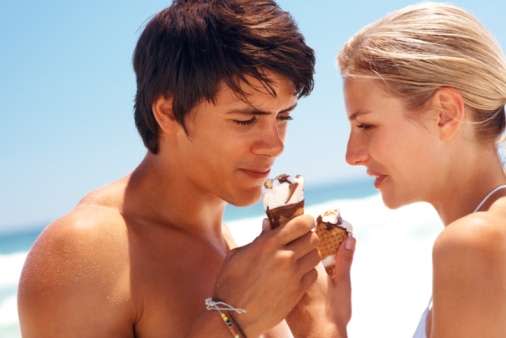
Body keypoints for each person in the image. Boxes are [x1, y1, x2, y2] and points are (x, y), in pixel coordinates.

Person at [18, 1, 355, 337]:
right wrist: (233, 320)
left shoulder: (230, 245)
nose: (275, 144)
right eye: (245, 119)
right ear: (168, 112)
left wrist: (323, 325)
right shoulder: (86, 248)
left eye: (283, 117)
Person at [337, 3, 506, 338]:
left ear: (444, 114)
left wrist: (324, 325)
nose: (351, 155)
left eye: (367, 126)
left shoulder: (473, 244)